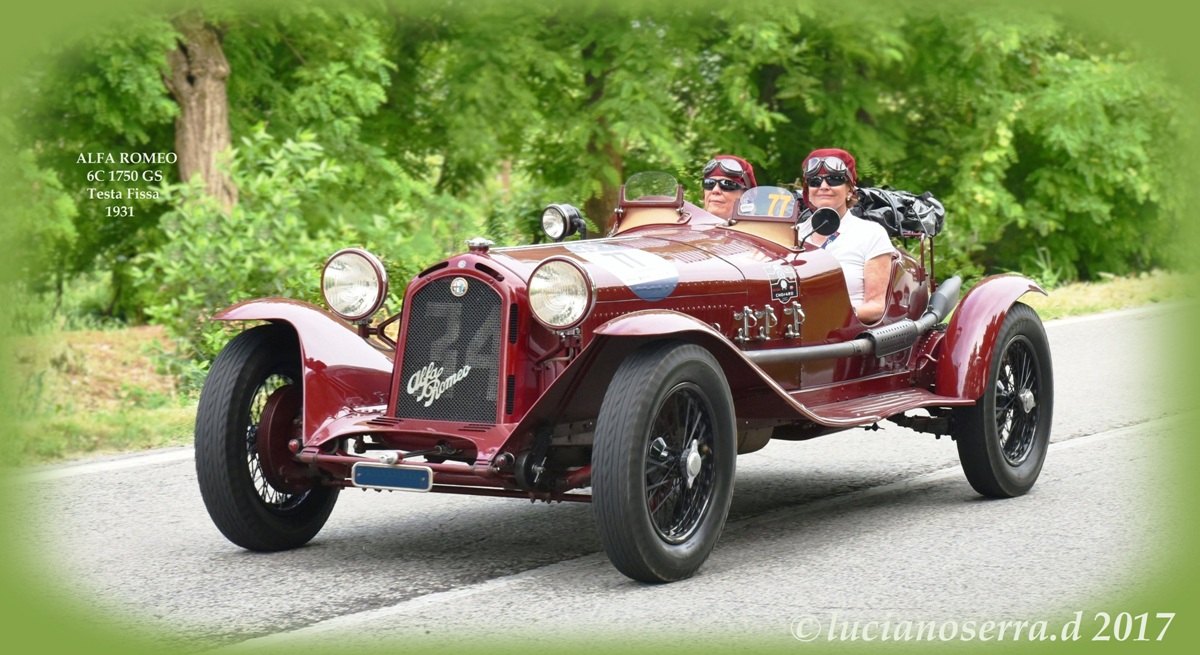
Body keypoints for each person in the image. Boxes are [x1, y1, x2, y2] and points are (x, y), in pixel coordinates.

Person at [799, 148, 895, 324]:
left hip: (845, 337)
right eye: (815, 181)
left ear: (850, 189)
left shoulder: (871, 234)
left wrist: (828, 316)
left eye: (834, 180)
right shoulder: (792, 234)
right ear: (808, 192)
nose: (823, 187)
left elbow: (875, 306)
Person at [701, 155, 757, 220]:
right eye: (710, 183)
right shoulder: (691, 226)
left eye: (726, 184)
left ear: (746, 196)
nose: (715, 190)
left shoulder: (758, 229)